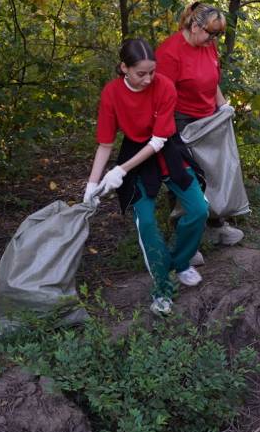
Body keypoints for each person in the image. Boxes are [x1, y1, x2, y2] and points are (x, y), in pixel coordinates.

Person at [84, 38, 209, 315]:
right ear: (124, 68)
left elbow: (159, 141)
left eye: (152, 71)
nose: (148, 78)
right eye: (141, 73)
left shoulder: (164, 86)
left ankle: (181, 261)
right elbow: (105, 144)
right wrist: (92, 185)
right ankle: (163, 289)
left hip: (165, 147)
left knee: (199, 209)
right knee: (147, 224)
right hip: (135, 153)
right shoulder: (111, 93)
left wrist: (120, 170)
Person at [156, 2, 243, 252]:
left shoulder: (208, 45)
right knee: (186, 176)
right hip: (181, 120)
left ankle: (216, 226)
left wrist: (223, 106)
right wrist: (168, 134)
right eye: (210, 32)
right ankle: (185, 239)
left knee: (214, 172)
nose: (213, 39)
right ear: (194, 25)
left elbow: (212, 80)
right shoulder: (170, 53)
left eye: (218, 34)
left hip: (209, 118)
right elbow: (162, 96)